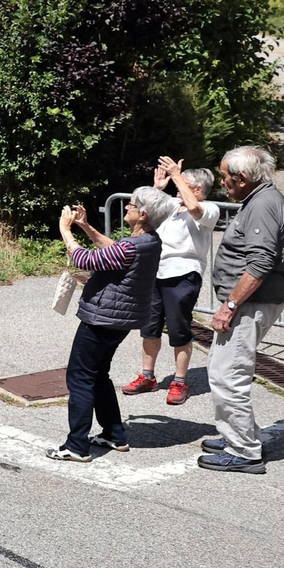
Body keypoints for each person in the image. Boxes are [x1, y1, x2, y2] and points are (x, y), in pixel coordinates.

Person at [47, 187, 173, 462]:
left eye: (131, 205)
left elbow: (85, 259)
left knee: (79, 377)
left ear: (143, 214)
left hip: (102, 319)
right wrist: (85, 226)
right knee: (99, 375)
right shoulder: (150, 241)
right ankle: (114, 434)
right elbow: (112, 249)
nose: (126, 207)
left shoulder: (133, 246)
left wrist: (66, 230)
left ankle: (77, 445)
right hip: (120, 321)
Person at [200, 147, 284, 475]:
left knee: (228, 376)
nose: (223, 182)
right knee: (224, 369)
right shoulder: (260, 199)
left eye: (225, 177)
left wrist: (229, 305)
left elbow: (260, 262)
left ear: (241, 178)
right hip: (247, 304)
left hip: (248, 305)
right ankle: (241, 434)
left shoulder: (263, 205)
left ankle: (243, 450)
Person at [120, 158, 221, 404]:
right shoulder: (172, 203)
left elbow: (195, 209)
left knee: (179, 330)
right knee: (149, 327)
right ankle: (148, 377)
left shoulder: (209, 208)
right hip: (155, 272)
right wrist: (157, 189)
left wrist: (177, 175)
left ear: (197, 189)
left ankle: (179, 381)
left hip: (183, 274)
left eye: (182, 183)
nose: (177, 186)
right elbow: (147, 213)